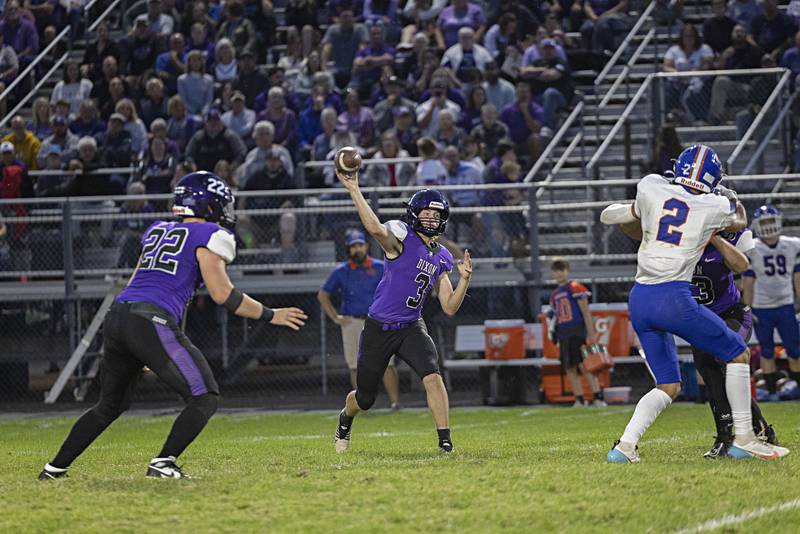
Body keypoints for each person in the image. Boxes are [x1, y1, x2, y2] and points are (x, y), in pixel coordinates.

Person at [38, 171, 307, 481]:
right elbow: (223, 295)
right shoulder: (210, 234)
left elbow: (137, 281)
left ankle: (54, 468)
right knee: (205, 395)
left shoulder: (156, 230)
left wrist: (150, 346)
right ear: (208, 205)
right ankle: (163, 462)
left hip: (119, 315)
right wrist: (271, 314)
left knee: (109, 405)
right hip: (151, 320)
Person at [600, 144, 788, 462]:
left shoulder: (652, 185)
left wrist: (633, 212)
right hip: (672, 296)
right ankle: (744, 438)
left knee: (668, 385)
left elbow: (612, 215)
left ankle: (624, 447)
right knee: (737, 354)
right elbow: (739, 220)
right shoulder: (714, 204)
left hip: (640, 298)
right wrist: (732, 202)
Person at [332, 172, 473, 454]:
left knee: (433, 376)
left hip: (411, 326)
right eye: (427, 212)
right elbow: (374, 228)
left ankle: (445, 443)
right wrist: (354, 190)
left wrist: (465, 280)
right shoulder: (401, 237)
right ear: (414, 214)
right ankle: (345, 418)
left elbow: (449, 306)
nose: (432, 218)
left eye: (437, 214)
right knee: (366, 397)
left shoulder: (443, 255)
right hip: (379, 327)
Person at [619, 215, 778, 457]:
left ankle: (752, 431)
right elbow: (636, 232)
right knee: (710, 373)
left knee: (726, 360)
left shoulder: (731, 236)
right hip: (699, 318)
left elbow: (742, 265)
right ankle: (729, 435)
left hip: (731, 314)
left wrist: (715, 239)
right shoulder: (679, 241)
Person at [319, 229, 401, 409]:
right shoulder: (341, 271)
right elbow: (323, 295)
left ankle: (395, 403)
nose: (357, 249)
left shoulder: (381, 266)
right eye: (353, 246)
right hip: (352, 321)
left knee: (387, 363)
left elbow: (396, 289)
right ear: (348, 250)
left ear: (366, 246)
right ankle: (362, 403)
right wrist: (335, 317)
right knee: (355, 365)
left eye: (360, 245)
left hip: (379, 321)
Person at [742, 206, 800, 401]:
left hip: (785, 304)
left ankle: (796, 389)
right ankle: (772, 392)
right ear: (757, 225)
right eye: (764, 222)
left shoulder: (792, 244)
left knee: (794, 348)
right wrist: (747, 308)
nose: (769, 226)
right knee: (766, 350)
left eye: (770, 221)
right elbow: (748, 283)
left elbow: (797, 278)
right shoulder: (752, 247)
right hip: (762, 306)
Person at [548, 258, 606, 408]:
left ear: (567, 271)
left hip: (577, 330)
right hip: (563, 332)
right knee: (569, 367)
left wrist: (591, 333)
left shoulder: (575, 287)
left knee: (584, 365)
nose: (559, 273)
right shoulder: (554, 294)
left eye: (561, 270)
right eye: (556, 270)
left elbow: (585, 311)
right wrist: (553, 333)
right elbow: (556, 316)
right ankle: (579, 399)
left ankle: (597, 396)